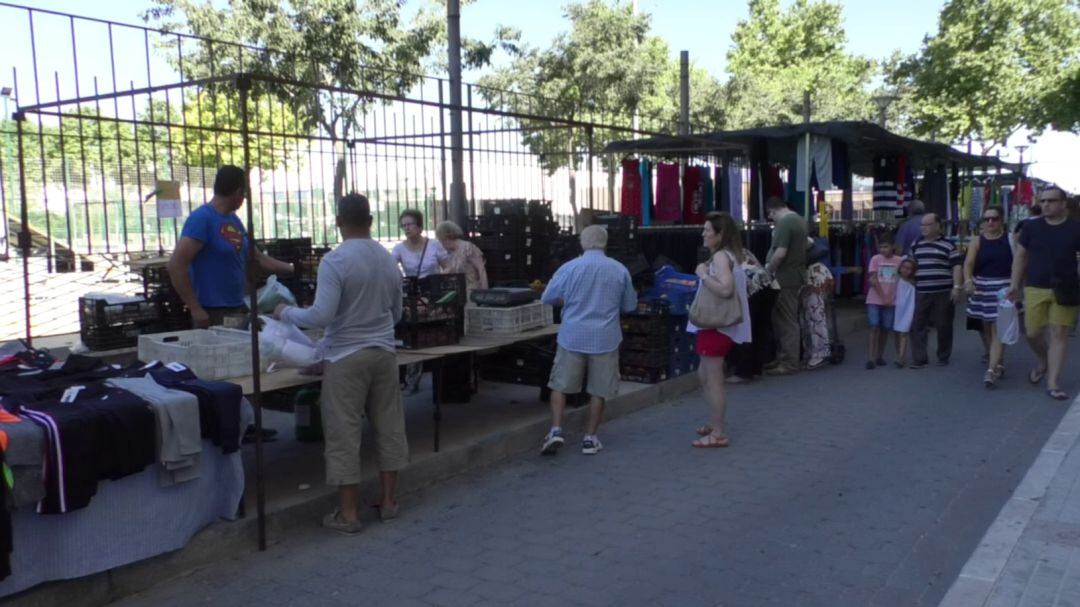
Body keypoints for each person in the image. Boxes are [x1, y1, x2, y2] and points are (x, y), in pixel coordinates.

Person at [273, 194, 408, 534]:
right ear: (371, 220)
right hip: (383, 353)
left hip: (345, 357)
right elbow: (397, 313)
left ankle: (348, 514)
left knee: (344, 433)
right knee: (389, 426)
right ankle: (389, 502)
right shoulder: (388, 259)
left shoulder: (335, 261)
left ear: (338, 221)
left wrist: (285, 312)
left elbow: (322, 314)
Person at [539, 225, 637, 456]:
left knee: (560, 385)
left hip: (572, 335)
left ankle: (555, 430)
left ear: (582, 243)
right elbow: (629, 305)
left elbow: (548, 297)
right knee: (598, 390)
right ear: (605, 243)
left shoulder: (569, 268)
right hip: (605, 338)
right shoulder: (619, 270)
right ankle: (590, 438)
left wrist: (568, 302)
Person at [167, 165, 296, 329]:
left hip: (237, 306)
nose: (244, 199)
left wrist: (293, 269)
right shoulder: (202, 219)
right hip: (212, 311)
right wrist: (195, 308)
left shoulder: (233, 220)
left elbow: (257, 257)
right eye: (245, 194)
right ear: (238, 192)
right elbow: (176, 266)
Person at [1009, 186, 1080, 400]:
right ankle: (1043, 360)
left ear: (1063, 204)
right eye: (1043, 201)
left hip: (1066, 288)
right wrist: (1015, 284)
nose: (1046, 204)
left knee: (1059, 334)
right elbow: (1021, 257)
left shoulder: (1076, 228)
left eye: (1051, 201)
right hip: (1035, 286)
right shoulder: (1032, 228)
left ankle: (1053, 383)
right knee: (1032, 332)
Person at [690, 212, 751, 448]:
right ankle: (714, 422)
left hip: (716, 325)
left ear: (720, 234)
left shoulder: (719, 259)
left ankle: (718, 431)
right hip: (719, 325)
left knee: (713, 378)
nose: (703, 233)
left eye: (707, 230)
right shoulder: (730, 255)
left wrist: (703, 276)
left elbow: (725, 289)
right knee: (705, 375)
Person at [393, 209, 449, 394]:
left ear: (419, 226)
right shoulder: (399, 249)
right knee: (411, 333)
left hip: (432, 293)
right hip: (413, 295)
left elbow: (447, 267)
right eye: (404, 225)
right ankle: (409, 379)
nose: (406, 228)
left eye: (410, 224)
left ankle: (416, 379)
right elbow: (390, 268)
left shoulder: (433, 246)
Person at [963, 206, 1013, 388]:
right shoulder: (977, 241)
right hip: (982, 287)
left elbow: (1020, 263)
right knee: (986, 327)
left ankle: (991, 370)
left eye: (994, 219)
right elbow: (968, 264)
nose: (990, 222)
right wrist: (968, 280)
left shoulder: (1010, 239)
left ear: (1002, 221)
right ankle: (997, 359)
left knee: (997, 328)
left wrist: (1017, 286)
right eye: (986, 219)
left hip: (1003, 288)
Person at [909, 213, 963, 369]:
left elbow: (957, 266)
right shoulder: (916, 245)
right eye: (922, 225)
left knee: (944, 324)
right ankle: (919, 359)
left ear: (938, 226)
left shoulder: (949, 245)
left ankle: (943, 356)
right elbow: (909, 265)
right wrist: (910, 279)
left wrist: (957, 287)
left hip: (943, 291)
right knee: (918, 325)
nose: (924, 228)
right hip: (922, 291)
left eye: (928, 225)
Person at [763, 196, 807, 376]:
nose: (771, 219)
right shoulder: (799, 220)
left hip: (784, 278)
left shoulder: (785, 223)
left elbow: (780, 253)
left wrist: (769, 270)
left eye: (770, 216)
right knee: (786, 318)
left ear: (772, 211)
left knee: (786, 320)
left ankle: (789, 362)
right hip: (794, 276)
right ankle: (785, 358)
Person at [726, 248, 778, 383]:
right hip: (768, 285)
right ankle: (756, 369)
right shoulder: (743, 250)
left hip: (750, 289)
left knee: (745, 330)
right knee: (760, 330)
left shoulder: (722, 255)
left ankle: (743, 372)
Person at [866, 235, 901, 369]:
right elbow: (873, 279)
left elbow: (900, 280)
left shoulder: (899, 261)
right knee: (874, 326)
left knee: (886, 328)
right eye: (881, 247)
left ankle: (879, 355)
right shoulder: (875, 259)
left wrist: (891, 297)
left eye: (886, 246)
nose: (883, 250)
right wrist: (883, 296)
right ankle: (871, 358)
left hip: (892, 300)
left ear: (893, 247)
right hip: (875, 298)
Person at [435, 220, 488, 293]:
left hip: (472, 292)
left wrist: (485, 291)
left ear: (445, 238)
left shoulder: (467, 248)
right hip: (458, 292)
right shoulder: (450, 253)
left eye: (440, 240)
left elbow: (481, 269)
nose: (440, 243)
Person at [800, 258, 834, 370]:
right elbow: (831, 281)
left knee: (813, 327)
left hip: (812, 301)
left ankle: (817, 355)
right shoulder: (821, 266)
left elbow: (808, 287)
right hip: (819, 301)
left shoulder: (809, 269)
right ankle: (817, 354)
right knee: (816, 326)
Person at [893, 258, 917, 368]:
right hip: (897, 308)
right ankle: (899, 354)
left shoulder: (913, 283)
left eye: (909, 269)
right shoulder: (896, 279)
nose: (906, 270)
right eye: (904, 267)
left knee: (904, 332)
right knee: (896, 333)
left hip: (908, 309)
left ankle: (901, 358)